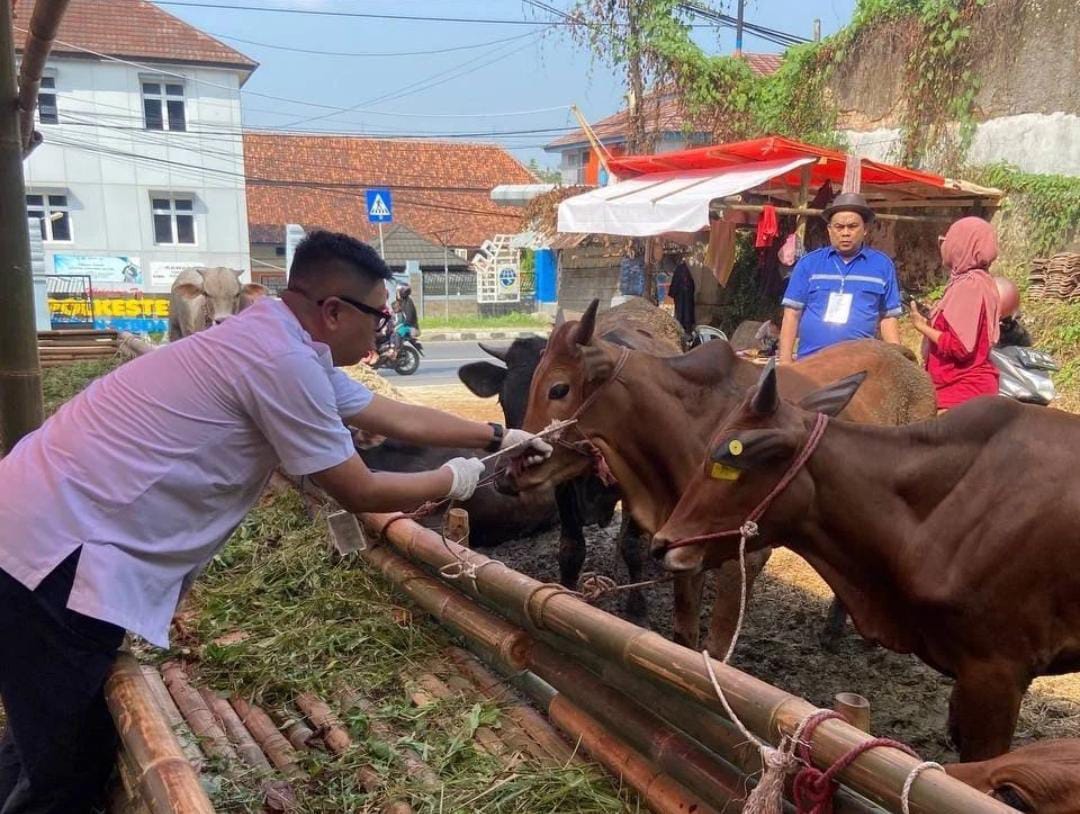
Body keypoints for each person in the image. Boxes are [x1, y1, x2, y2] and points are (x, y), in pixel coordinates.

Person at [0, 230, 552, 813]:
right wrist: (458, 480)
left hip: (41, 528)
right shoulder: (280, 358)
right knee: (69, 771)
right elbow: (356, 487)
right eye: (379, 314)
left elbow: (386, 412)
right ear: (334, 311)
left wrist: (494, 435)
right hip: (58, 557)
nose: (382, 328)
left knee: (42, 742)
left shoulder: (277, 341)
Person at [778, 192, 903, 363]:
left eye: (852, 226)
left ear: (865, 229)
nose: (845, 233)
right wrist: (785, 363)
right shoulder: (809, 264)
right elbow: (791, 314)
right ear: (829, 230)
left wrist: (898, 361)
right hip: (811, 363)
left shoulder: (882, 265)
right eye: (839, 227)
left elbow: (888, 317)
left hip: (860, 365)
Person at [908, 217, 1001, 411]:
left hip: (960, 391)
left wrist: (921, 327)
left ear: (961, 245)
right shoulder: (980, 281)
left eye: (949, 239)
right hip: (965, 389)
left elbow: (959, 347)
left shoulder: (969, 286)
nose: (944, 245)